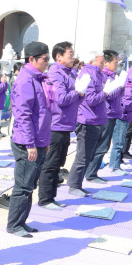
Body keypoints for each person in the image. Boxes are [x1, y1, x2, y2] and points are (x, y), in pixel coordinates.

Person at [6, 41, 51, 237]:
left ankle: (22, 221)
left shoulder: (38, 78)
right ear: (31, 59)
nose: (47, 63)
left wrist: (45, 140)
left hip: (38, 139)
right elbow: (23, 114)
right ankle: (14, 224)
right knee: (23, 186)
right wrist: (30, 144)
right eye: (45, 59)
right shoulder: (26, 80)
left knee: (30, 185)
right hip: (27, 142)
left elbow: (43, 111)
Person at [38, 41, 79, 209]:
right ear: (59, 56)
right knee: (51, 163)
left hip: (66, 124)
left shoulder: (68, 73)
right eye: (70, 54)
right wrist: (78, 92)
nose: (73, 57)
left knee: (59, 162)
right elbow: (61, 99)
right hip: (56, 124)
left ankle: (51, 196)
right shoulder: (56, 73)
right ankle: (45, 198)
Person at [66, 51, 107, 195]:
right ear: (91, 61)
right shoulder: (88, 74)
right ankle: (73, 185)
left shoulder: (96, 73)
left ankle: (78, 183)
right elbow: (90, 99)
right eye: (101, 62)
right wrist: (106, 93)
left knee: (88, 154)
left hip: (95, 118)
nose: (103, 65)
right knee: (83, 155)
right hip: (87, 119)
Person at [85, 49, 123, 182]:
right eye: (115, 62)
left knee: (104, 146)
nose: (117, 65)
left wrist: (119, 87)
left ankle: (92, 172)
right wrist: (119, 86)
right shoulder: (103, 76)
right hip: (106, 114)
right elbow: (108, 95)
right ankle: (91, 174)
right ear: (106, 63)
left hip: (112, 113)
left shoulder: (112, 75)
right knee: (101, 146)